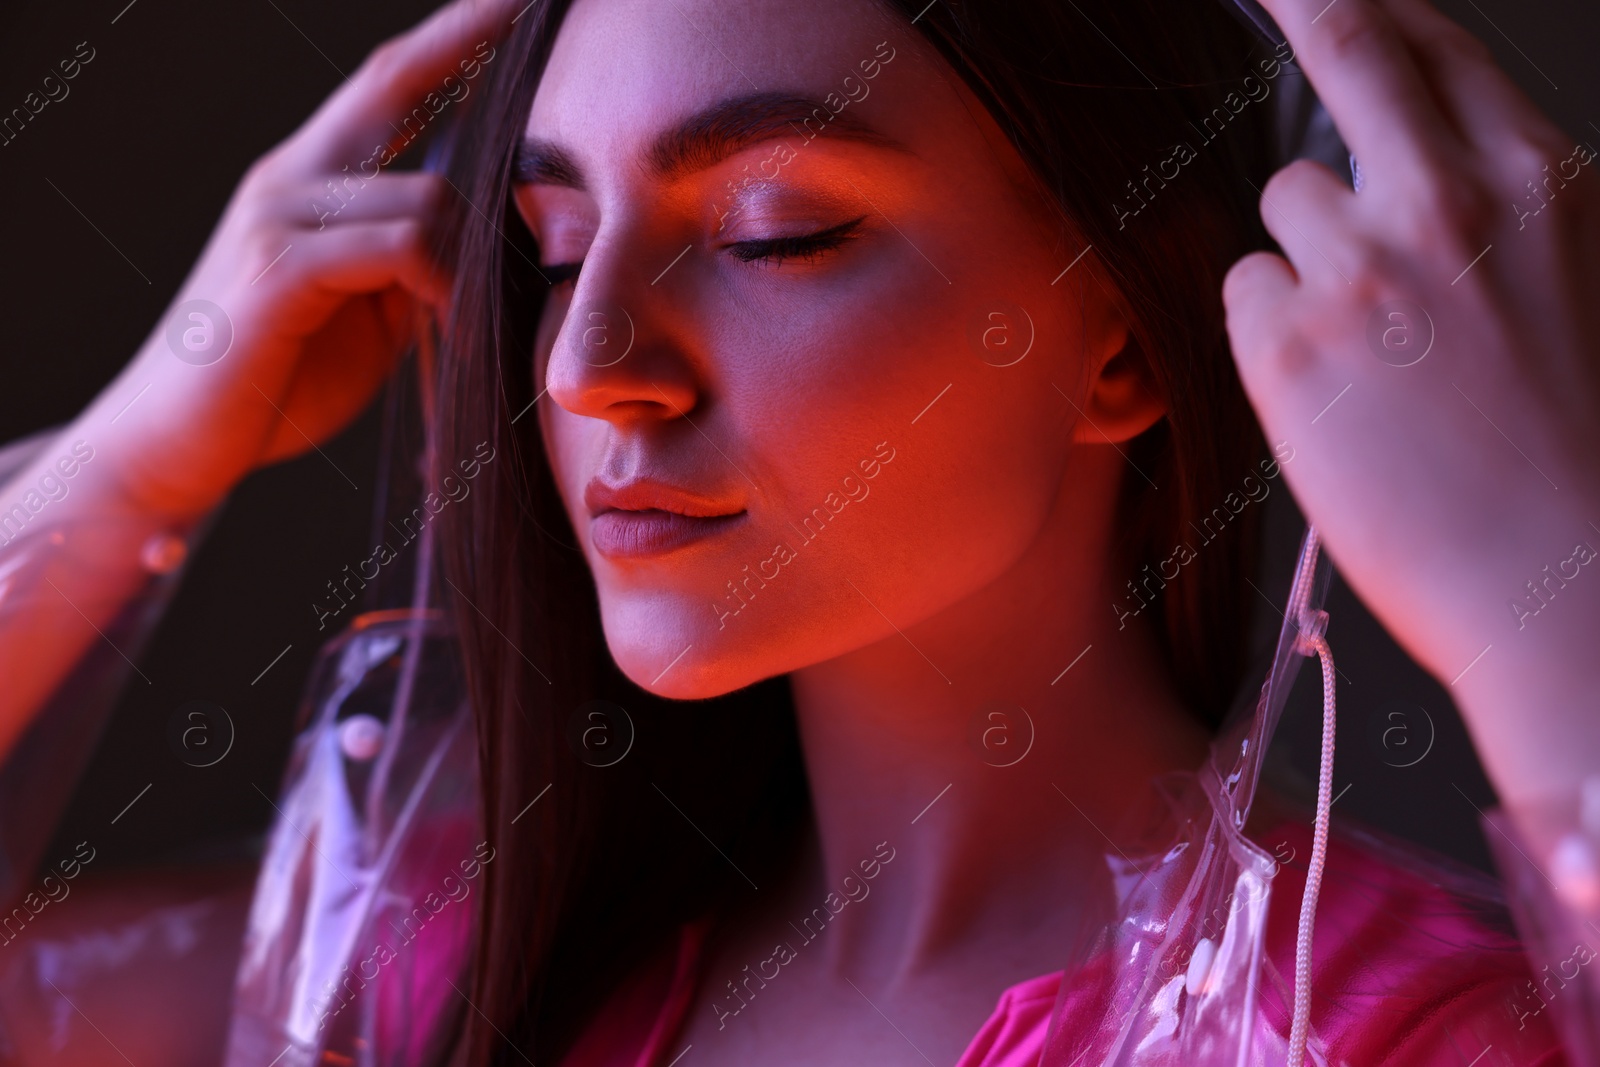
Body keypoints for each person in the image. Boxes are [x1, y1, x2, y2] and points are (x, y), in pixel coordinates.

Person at [0, 0, 1595, 1063]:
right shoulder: (436, 963)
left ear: (1118, 335)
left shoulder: (1386, 1027)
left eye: (776, 232)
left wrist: (1544, 594)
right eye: (552, 250)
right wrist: (129, 461)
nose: (583, 361)